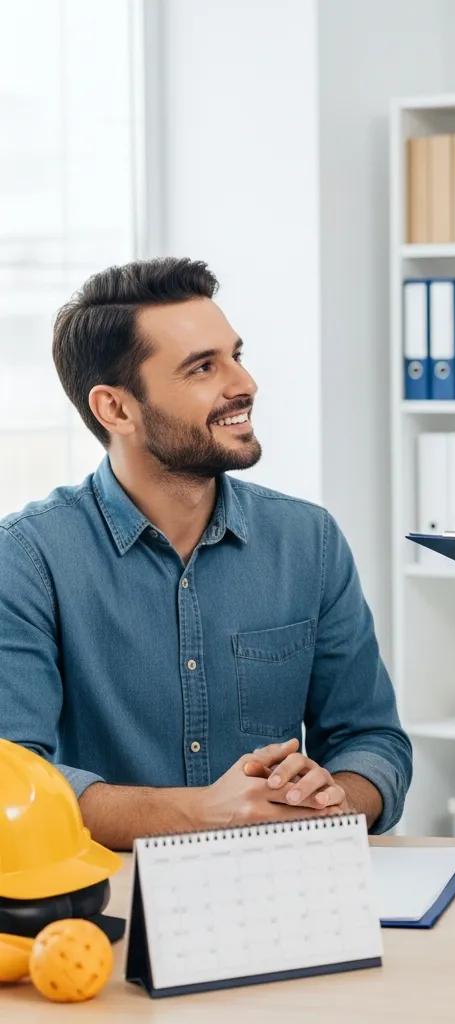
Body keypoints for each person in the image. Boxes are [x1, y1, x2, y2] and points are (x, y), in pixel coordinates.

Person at [0, 257, 411, 850]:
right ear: (116, 409)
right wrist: (204, 813)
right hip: (114, 890)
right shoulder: (27, 558)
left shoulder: (309, 539)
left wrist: (337, 799)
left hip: (286, 878)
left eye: (235, 355)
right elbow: (15, 782)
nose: (244, 384)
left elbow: (373, 741)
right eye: (202, 368)